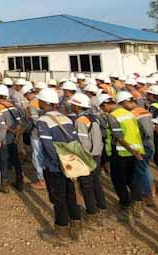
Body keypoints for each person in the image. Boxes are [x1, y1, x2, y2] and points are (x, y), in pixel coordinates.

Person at [35, 88, 83, 245]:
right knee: (71, 195)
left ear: (43, 102)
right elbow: (75, 141)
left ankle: (62, 231)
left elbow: (48, 146)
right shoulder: (66, 118)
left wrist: (56, 163)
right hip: (70, 163)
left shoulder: (43, 121)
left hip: (55, 166)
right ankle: (76, 228)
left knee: (58, 198)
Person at [99, 93, 145, 223]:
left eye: (103, 108)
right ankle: (137, 209)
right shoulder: (129, 113)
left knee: (119, 182)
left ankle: (125, 210)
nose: (103, 111)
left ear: (106, 104)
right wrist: (135, 151)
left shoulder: (113, 116)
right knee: (132, 180)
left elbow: (119, 137)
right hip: (135, 151)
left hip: (121, 153)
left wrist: (131, 150)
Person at [70, 93, 107, 226]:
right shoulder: (94, 118)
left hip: (86, 156)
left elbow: (82, 143)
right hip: (97, 154)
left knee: (86, 185)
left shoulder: (80, 121)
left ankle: (92, 213)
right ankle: (102, 208)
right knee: (96, 182)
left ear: (76, 106)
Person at [116, 91, 156, 207]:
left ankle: (148, 194)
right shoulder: (143, 110)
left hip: (143, 145)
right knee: (144, 168)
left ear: (126, 102)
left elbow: (146, 132)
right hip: (148, 144)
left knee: (142, 169)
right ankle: (148, 192)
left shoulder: (135, 113)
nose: (122, 108)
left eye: (122, 104)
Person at [0, 84, 24, 192]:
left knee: (3, 159)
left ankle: (5, 183)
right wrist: (16, 133)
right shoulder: (13, 106)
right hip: (13, 138)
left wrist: (11, 130)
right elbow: (19, 122)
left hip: (3, 137)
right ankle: (20, 180)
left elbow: (2, 124)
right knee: (15, 159)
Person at [26, 85, 46, 190]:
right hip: (47, 134)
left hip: (37, 134)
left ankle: (42, 180)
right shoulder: (43, 100)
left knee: (37, 156)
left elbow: (35, 122)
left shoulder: (32, 104)